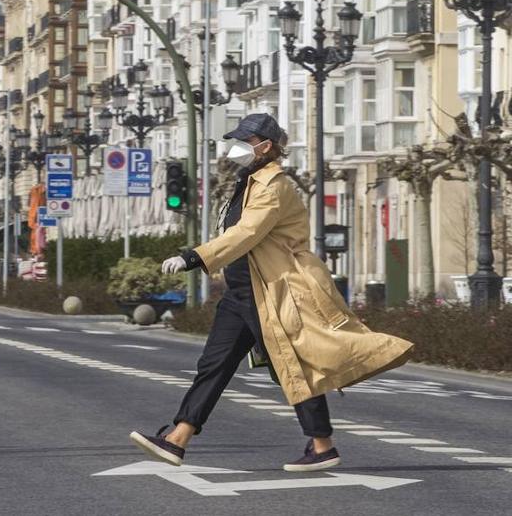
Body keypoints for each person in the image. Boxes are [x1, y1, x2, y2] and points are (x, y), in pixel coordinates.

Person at [129, 113, 413, 473]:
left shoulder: (273, 186)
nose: (236, 148)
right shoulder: (246, 181)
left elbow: (247, 233)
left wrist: (193, 257)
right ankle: (178, 438)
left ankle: (322, 444)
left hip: (275, 289)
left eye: (244, 142)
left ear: (265, 147)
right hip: (242, 290)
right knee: (215, 365)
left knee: (292, 365)